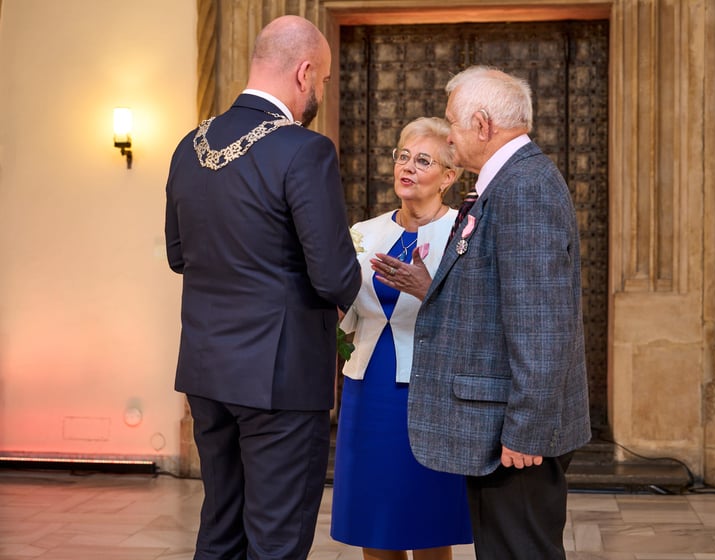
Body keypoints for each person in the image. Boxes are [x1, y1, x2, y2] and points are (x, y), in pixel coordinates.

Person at [373, 67, 591, 560]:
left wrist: (526, 430)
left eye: (454, 123)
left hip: (516, 437)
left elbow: (541, 323)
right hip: (496, 425)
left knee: (519, 551)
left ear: (484, 124)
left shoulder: (524, 188)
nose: (449, 135)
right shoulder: (508, 182)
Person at [164, 15, 361, 560]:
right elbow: (333, 275)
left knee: (220, 526)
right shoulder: (304, 149)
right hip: (281, 377)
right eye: (321, 80)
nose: (320, 91)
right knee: (275, 538)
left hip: (207, 369)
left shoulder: (189, 145)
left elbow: (178, 256)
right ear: (303, 72)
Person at [331, 117, 472, 560]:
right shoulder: (365, 234)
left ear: (448, 177)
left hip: (431, 394)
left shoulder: (463, 235)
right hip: (369, 389)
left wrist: (427, 291)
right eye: (403, 157)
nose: (407, 168)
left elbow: (479, 322)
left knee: (428, 524)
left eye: (423, 161)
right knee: (375, 524)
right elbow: (347, 318)